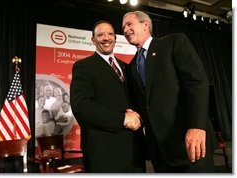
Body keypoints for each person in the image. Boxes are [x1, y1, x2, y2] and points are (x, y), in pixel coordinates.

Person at [122, 11, 217, 173]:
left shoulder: (173, 43)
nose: (125, 29)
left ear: (146, 25)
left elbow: (197, 84)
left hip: (189, 143)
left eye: (129, 24)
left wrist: (197, 126)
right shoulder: (131, 67)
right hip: (160, 152)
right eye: (123, 27)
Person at [70, 20, 145, 173]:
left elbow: (138, 101)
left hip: (134, 151)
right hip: (104, 154)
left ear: (115, 39)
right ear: (93, 40)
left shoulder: (127, 66)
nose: (106, 38)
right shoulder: (84, 66)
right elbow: (81, 106)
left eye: (110, 34)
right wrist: (121, 119)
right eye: (100, 34)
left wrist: (140, 119)